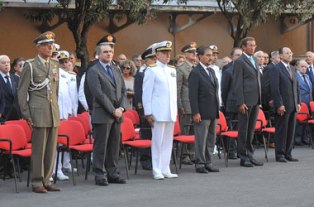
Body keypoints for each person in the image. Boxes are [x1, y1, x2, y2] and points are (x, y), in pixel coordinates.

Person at [17, 31, 61, 193]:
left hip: (52, 112)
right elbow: (22, 93)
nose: (51, 48)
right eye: (47, 45)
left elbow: (56, 90)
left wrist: (56, 109)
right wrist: (27, 114)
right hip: (37, 111)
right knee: (39, 149)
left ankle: (47, 179)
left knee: (51, 148)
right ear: (39, 47)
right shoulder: (30, 65)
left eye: (52, 45)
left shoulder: (54, 64)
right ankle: (37, 181)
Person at [86, 37, 127, 186]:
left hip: (117, 114)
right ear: (98, 54)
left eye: (110, 51)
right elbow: (98, 94)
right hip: (103, 114)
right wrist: (113, 110)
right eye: (105, 52)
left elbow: (123, 90)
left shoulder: (116, 69)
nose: (109, 54)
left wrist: (121, 108)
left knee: (114, 146)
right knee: (101, 147)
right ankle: (99, 174)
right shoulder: (93, 70)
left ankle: (113, 173)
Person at [142, 40, 178, 180]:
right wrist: (148, 113)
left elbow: (173, 93)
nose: (167, 55)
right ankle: (156, 169)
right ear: (156, 55)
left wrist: (175, 110)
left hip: (170, 110)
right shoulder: (151, 70)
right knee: (157, 141)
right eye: (164, 52)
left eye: (168, 52)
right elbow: (147, 93)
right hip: (157, 111)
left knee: (168, 141)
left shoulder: (172, 70)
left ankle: (165, 167)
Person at [188, 46, 220, 174]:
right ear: (199, 56)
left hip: (213, 110)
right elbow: (193, 95)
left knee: (211, 139)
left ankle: (208, 162)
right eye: (208, 55)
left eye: (212, 55)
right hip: (202, 112)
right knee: (201, 139)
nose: (211, 57)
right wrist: (195, 112)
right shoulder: (195, 72)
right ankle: (200, 163)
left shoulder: (211, 71)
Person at [233, 37, 263, 167]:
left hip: (255, 100)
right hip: (245, 101)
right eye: (250, 45)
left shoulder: (254, 60)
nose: (252, 47)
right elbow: (237, 83)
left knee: (251, 129)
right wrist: (240, 102)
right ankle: (243, 156)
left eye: (254, 45)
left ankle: (250, 154)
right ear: (244, 47)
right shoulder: (240, 61)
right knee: (244, 129)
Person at [271, 47, 300, 162]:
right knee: (281, 131)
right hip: (283, 106)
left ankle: (288, 153)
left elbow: (296, 87)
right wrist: (279, 104)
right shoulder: (276, 69)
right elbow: (275, 88)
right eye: (287, 53)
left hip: (293, 104)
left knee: (291, 130)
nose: (290, 54)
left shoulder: (292, 68)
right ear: (281, 56)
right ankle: (280, 154)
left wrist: (298, 102)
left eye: (291, 52)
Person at [134, 43, 157, 170]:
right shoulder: (141, 73)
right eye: (152, 59)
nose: (154, 60)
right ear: (146, 60)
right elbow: (138, 94)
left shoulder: (155, 71)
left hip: (156, 108)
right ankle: (146, 159)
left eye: (155, 58)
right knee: (146, 134)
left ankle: (155, 158)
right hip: (146, 109)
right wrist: (141, 110)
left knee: (155, 135)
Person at [176, 42, 198, 165]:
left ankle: (192, 153)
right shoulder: (181, 68)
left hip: (196, 104)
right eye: (191, 52)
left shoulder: (196, 67)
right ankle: (183, 155)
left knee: (194, 130)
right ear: (184, 54)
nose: (194, 54)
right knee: (185, 130)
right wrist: (180, 106)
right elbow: (177, 89)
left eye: (195, 52)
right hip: (186, 104)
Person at [221, 47, 243, 159]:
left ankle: (240, 151)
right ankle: (231, 151)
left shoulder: (244, 69)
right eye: (237, 55)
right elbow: (224, 90)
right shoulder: (228, 71)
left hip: (243, 105)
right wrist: (226, 104)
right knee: (232, 129)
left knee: (241, 129)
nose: (240, 57)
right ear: (232, 57)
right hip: (232, 105)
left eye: (241, 55)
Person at [295, 59, 311, 145]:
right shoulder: (295, 76)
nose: (304, 68)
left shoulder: (307, 76)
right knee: (299, 122)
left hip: (308, 102)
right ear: (297, 67)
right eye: (302, 66)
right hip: (300, 102)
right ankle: (297, 140)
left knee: (306, 122)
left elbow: (309, 90)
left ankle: (304, 138)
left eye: (305, 67)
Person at [0, 55, 21, 123]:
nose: (6, 64)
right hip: (3, 115)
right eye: (3, 63)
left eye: (8, 62)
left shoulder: (16, 78)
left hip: (17, 115)